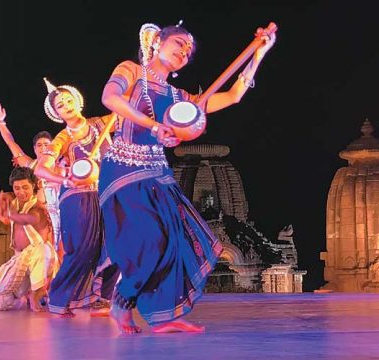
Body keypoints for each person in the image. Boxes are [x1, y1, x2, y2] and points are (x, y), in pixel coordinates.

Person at [99, 21, 277, 333]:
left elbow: (233, 96)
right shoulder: (130, 71)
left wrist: (259, 54)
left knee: (176, 240)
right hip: (125, 166)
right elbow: (109, 98)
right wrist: (154, 126)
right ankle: (122, 301)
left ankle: (164, 316)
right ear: (158, 43)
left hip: (158, 171)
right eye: (179, 43)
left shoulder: (178, 96)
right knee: (150, 239)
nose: (184, 51)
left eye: (189, 50)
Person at [22, 79, 119, 317]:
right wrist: (64, 180)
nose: (66, 105)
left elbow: (131, 114)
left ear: (77, 101)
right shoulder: (62, 138)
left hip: (107, 191)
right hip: (78, 197)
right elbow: (41, 168)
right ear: (57, 114)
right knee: (83, 250)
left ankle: (102, 298)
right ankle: (58, 298)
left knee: (118, 242)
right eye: (60, 105)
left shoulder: (102, 123)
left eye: (68, 100)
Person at [0, 167, 59, 312]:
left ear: (34, 186)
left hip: (40, 256)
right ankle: (22, 297)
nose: (21, 192)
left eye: (25, 187)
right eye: (17, 188)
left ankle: (37, 295)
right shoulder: (13, 202)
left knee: (41, 253)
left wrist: (10, 214)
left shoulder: (38, 208)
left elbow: (28, 219)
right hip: (20, 257)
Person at [0, 103, 62, 252]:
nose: (43, 148)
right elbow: (11, 143)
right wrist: (0, 122)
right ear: (34, 149)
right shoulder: (31, 165)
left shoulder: (61, 167)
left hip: (62, 213)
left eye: (47, 145)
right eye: (39, 145)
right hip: (39, 216)